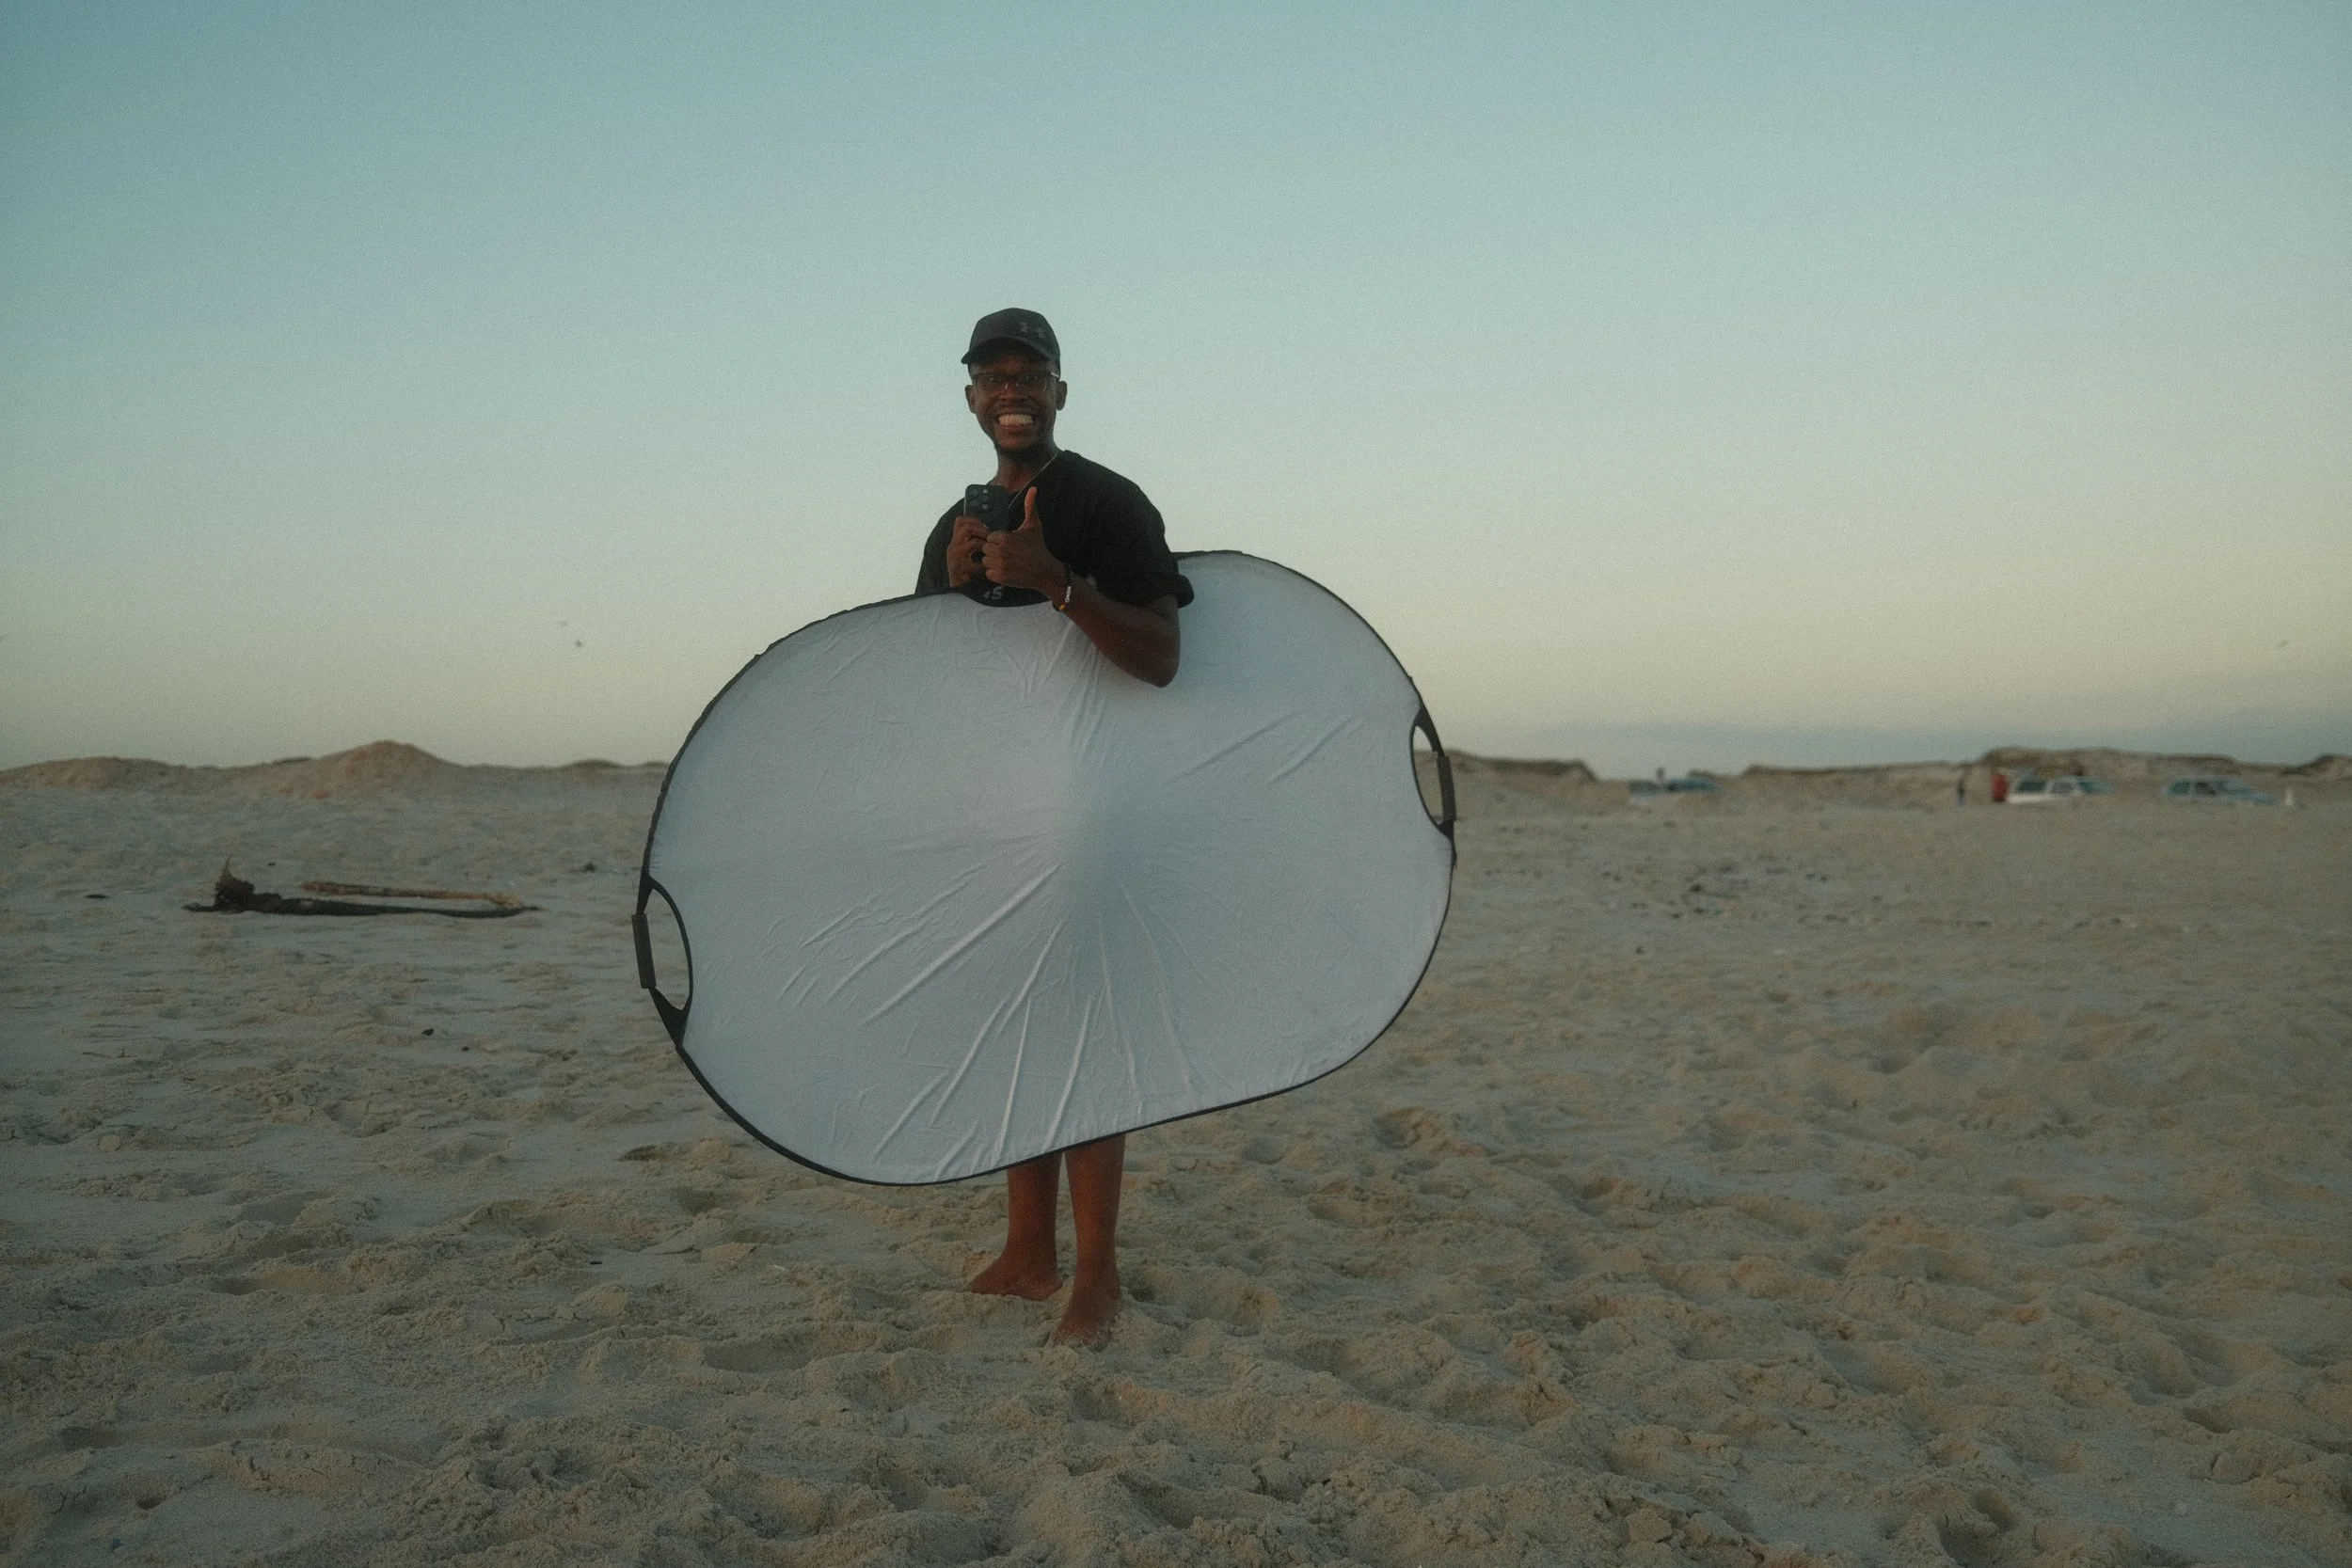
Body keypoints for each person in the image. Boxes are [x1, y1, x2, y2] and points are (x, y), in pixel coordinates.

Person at [914, 309, 1192, 1345]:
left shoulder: (1108, 501)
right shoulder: (959, 517)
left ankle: (1100, 1277)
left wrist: (1055, 583)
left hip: (1095, 809)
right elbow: (933, 686)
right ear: (972, 398)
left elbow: (1161, 654)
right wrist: (954, 590)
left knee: (1089, 1034)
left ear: (1061, 390)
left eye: (1029, 374)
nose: (1010, 390)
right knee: (1017, 1031)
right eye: (991, 377)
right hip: (994, 812)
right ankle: (1030, 1251)